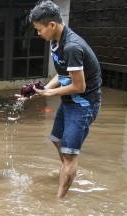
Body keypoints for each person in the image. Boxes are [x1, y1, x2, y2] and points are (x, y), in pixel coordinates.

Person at [17, 0, 102, 197]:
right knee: (57, 140)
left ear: (52, 25)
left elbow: (80, 86)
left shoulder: (72, 46)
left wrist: (50, 93)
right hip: (70, 100)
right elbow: (63, 74)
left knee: (70, 154)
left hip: (84, 104)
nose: (38, 34)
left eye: (39, 29)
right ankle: (68, 170)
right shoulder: (56, 41)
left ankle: (59, 202)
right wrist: (42, 89)